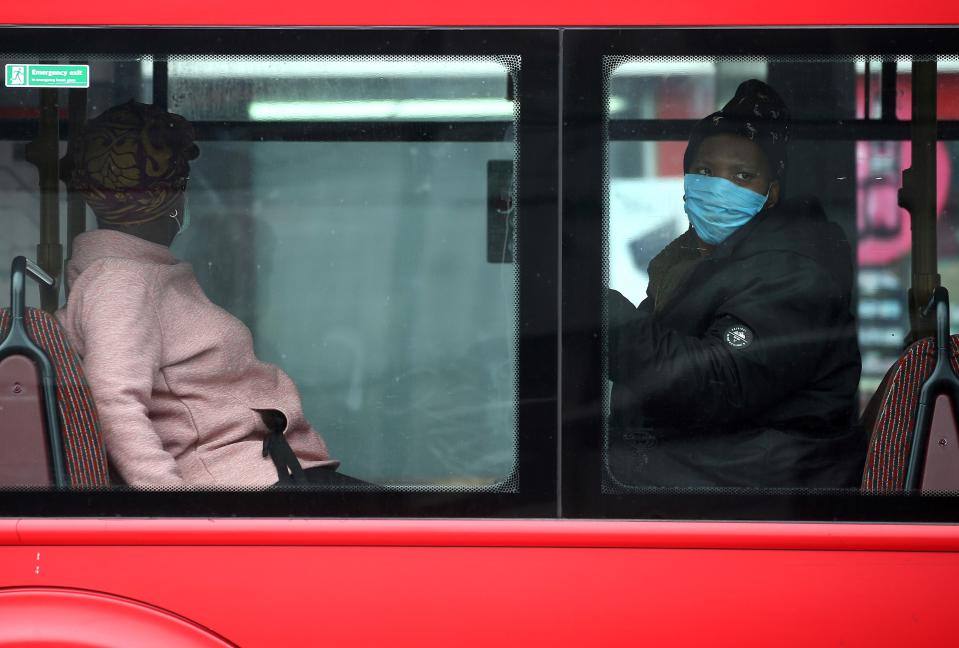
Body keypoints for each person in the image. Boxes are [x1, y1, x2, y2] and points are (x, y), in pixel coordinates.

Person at [57, 100, 349, 488]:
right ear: (171, 198)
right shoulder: (120, 283)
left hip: (268, 474)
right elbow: (113, 402)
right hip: (241, 482)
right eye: (182, 184)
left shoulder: (142, 275)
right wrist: (176, 511)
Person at [607, 80, 865, 488]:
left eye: (742, 175)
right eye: (706, 172)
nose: (719, 187)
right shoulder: (698, 259)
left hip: (766, 489)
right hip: (730, 467)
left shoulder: (791, 270)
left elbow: (718, 383)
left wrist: (605, 318)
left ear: (772, 193)